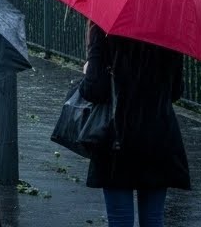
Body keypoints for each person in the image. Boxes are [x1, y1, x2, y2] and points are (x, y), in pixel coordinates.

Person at [81, 23, 190, 227]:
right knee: (153, 220)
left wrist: (88, 70)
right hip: (158, 135)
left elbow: (94, 90)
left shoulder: (105, 28)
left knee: (120, 220)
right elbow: (175, 91)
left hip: (118, 138)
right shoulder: (169, 28)